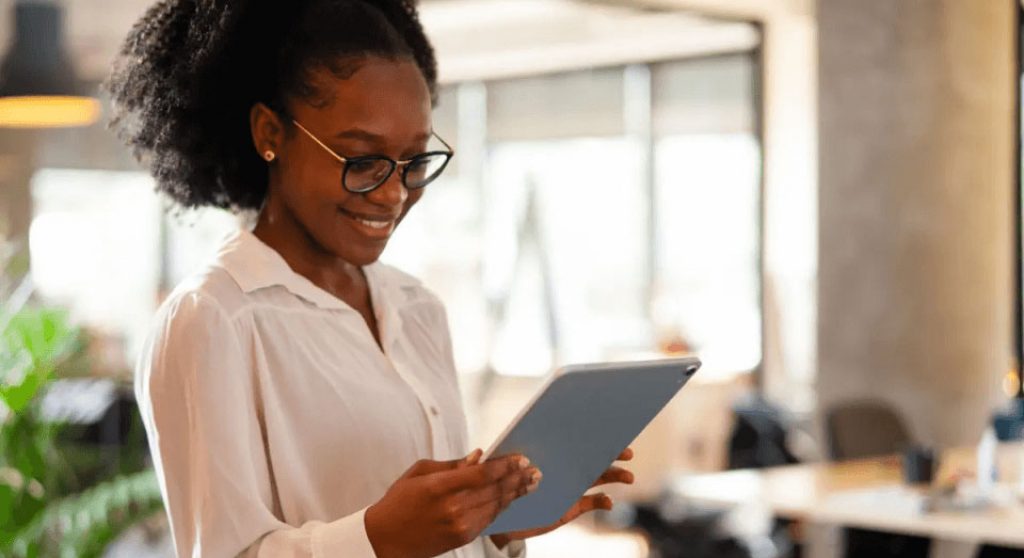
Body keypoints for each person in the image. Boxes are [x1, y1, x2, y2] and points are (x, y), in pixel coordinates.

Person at [107, 1, 635, 556]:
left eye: (414, 161)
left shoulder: (417, 308)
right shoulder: (214, 317)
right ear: (270, 133)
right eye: (362, 160)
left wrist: (490, 527)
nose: (393, 194)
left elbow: (435, 539)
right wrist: (377, 538)